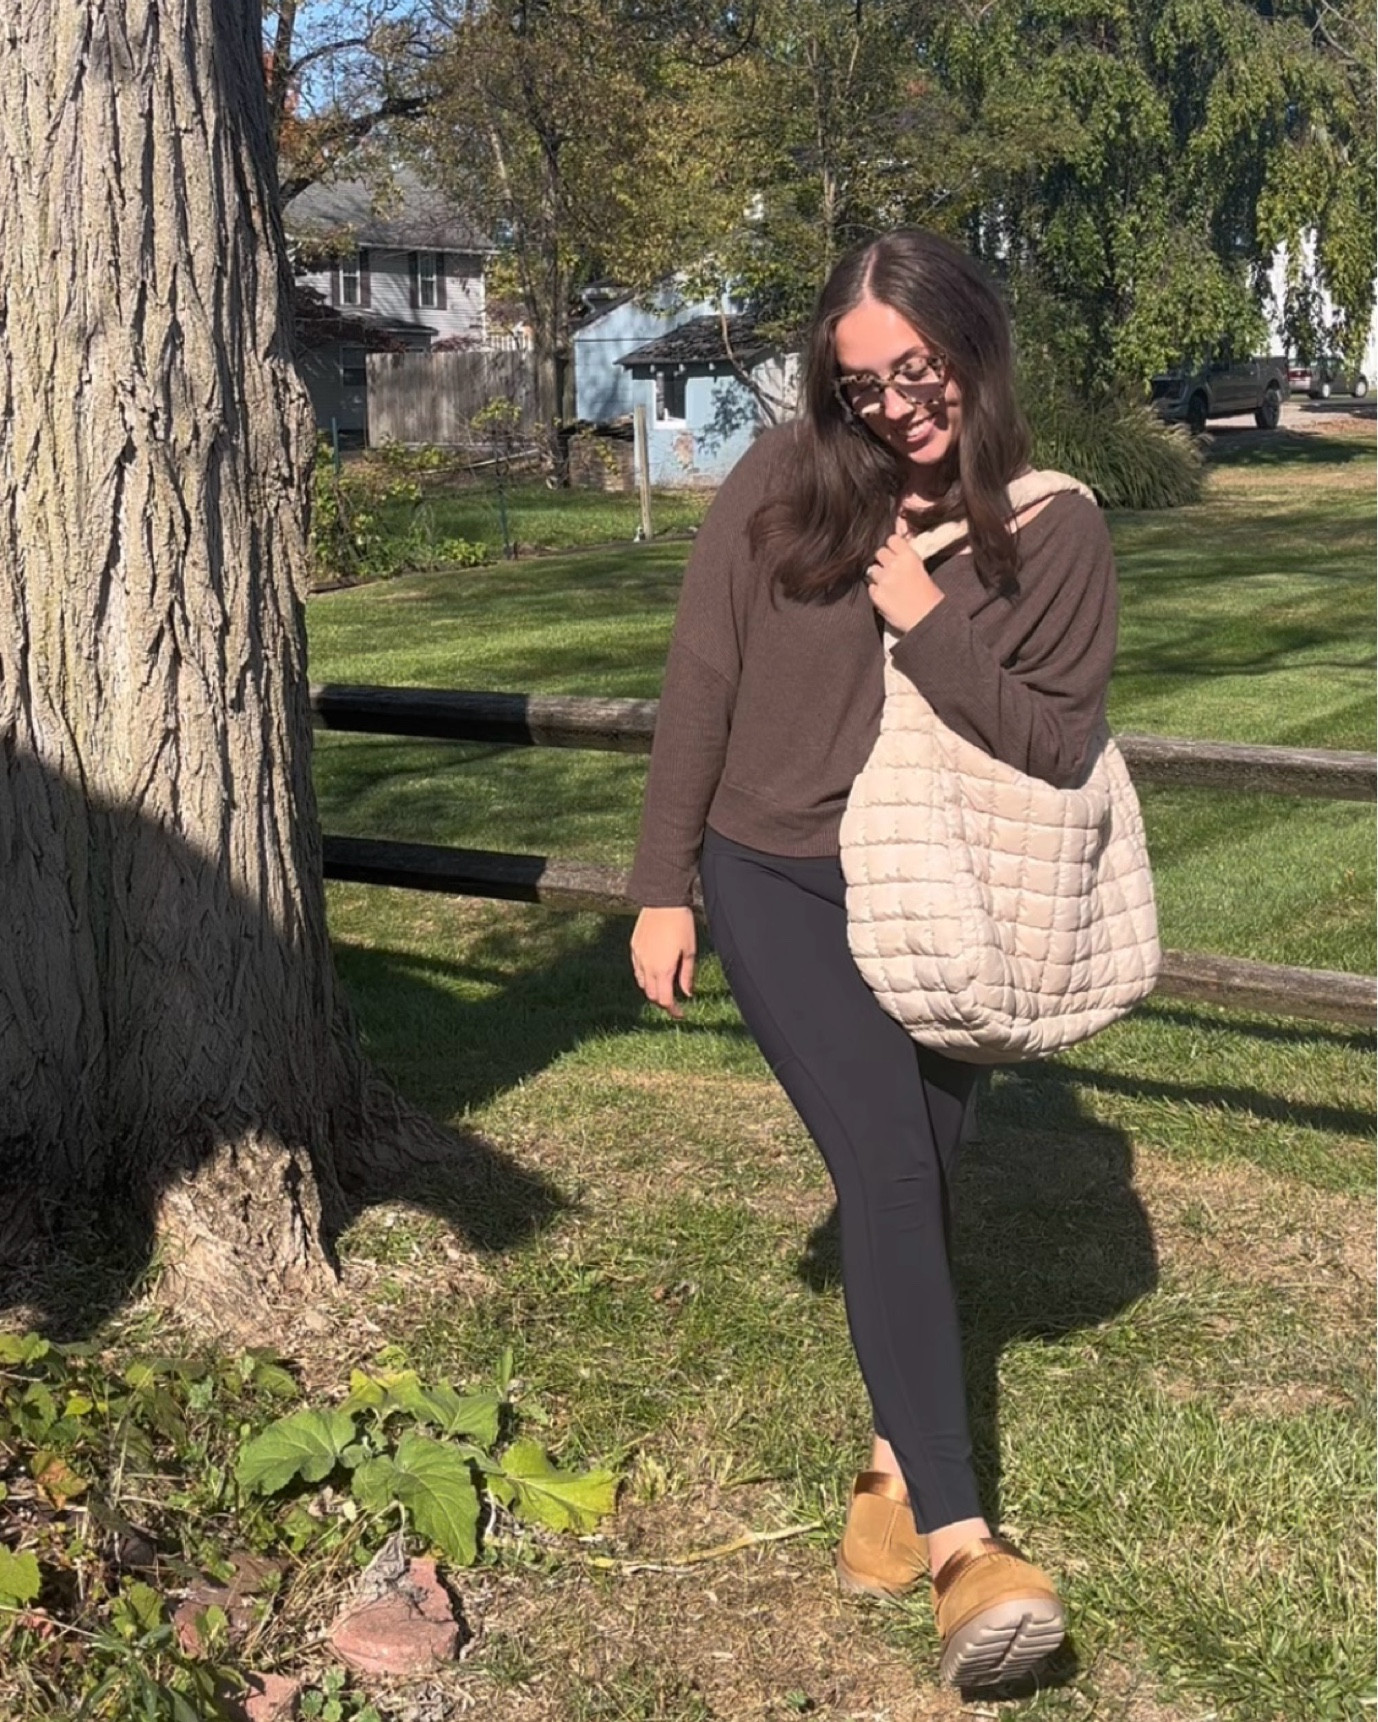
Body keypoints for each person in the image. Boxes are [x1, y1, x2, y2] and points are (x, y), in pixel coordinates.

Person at [628, 229, 1118, 1691]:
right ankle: (968, 1552)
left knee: (921, 1171)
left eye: (919, 368)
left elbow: (1054, 737)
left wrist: (933, 613)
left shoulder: (1051, 527)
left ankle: (887, 1488)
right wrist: (664, 885)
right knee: (892, 1172)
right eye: (861, 387)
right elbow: (699, 679)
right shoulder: (778, 485)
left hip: (950, 896)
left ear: (972, 343)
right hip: (773, 870)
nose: (898, 405)